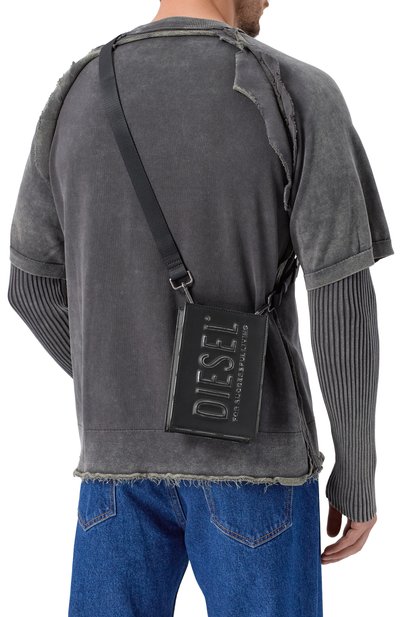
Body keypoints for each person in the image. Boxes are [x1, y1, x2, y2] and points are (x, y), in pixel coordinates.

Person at [7, 1, 395, 615]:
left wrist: (133, 383)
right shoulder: (293, 91)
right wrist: (358, 468)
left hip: (114, 468)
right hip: (258, 464)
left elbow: (31, 288)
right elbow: (341, 295)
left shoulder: (75, 95)